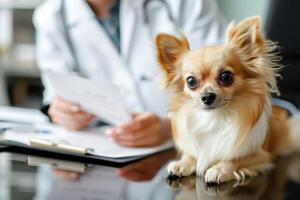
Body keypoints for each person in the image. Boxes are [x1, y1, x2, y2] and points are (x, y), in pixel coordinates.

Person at [33, 0, 227, 147]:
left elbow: (229, 84)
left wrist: (172, 127)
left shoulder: (186, 4)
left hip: (193, 149)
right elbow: (55, 93)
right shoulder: (50, 16)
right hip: (103, 155)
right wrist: (59, 112)